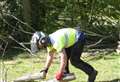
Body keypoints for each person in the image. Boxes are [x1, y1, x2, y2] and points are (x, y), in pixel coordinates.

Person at [30, 28, 98, 82]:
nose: (39, 47)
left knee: (74, 61)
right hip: (70, 41)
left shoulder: (55, 41)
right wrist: (45, 69)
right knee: (65, 65)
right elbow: (50, 56)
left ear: (42, 40)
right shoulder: (49, 43)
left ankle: (92, 72)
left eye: (38, 45)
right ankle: (65, 75)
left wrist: (60, 72)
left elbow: (63, 58)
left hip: (78, 37)